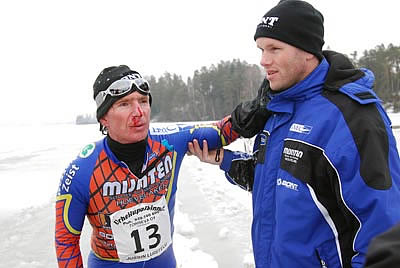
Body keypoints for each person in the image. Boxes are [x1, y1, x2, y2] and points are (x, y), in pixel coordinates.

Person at [188, 0, 400, 267]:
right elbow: (287, 183)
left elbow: (385, 236)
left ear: (308, 51)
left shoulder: (353, 117)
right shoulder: (277, 108)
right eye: (261, 49)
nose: (264, 61)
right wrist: (225, 161)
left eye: (275, 48)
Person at [54, 65, 238, 268]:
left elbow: (225, 131)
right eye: (124, 104)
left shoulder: (169, 143)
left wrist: (265, 102)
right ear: (104, 118)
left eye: (143, 101)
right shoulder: (82, 170)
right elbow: (66, 242)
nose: (138, 112)